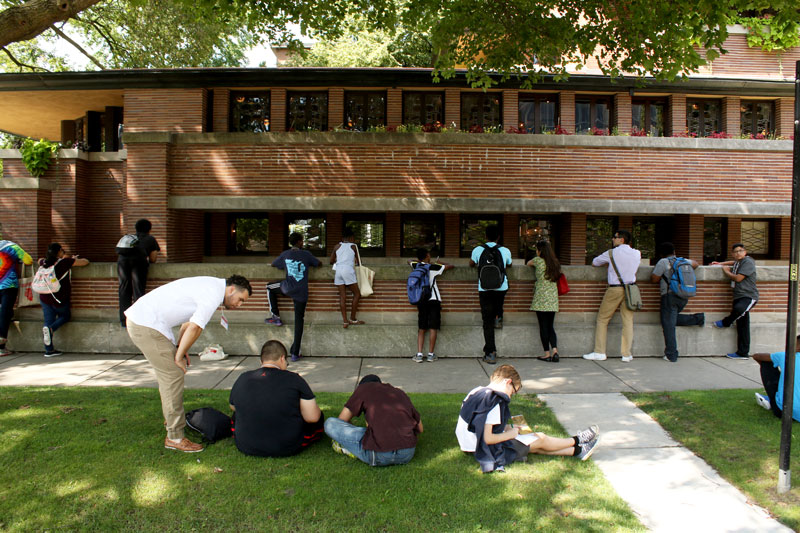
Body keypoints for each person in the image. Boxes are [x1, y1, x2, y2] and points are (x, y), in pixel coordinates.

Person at [125, 274, 252, 452]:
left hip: (146, 322)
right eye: (240, 300)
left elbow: (187, 323)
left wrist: (180, 349)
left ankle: (172, 419)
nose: (239, 305)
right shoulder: (212, 294)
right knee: (173, 374)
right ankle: (175, 437)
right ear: (231, 290)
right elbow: (195, 327)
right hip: (145, 325)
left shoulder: (210, 286)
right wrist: (178, 356)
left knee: (171, 375)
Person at [455, 364, 600, 473]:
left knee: (534, 443)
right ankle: (577, 440)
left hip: (469, 445)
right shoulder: (495, 400)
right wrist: (510, 434)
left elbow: (481, 424)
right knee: (540, 439)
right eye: (513, 391)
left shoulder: (477, 391)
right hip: (485, 449)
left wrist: (510, 428)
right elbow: (488, 438)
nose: (511, 395)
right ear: (507, 382)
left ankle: (578, 451)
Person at [229, 339, 324, 457]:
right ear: (282, 358)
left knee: (236, 416)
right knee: (319, 417)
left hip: (246, 444)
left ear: (261, 360)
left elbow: (233, 407)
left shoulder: (243, 377)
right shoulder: (295, 379)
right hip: (286, 446)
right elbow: (312, 418)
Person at [324, 374, 423, 467]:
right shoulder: (400, 393)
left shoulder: (362, 389)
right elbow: (420, 429)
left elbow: (342, 420)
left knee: (330, 423)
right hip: (407, 454)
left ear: (361, 386)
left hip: (378, 455)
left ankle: (349, 449)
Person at [583, 230, 641, 363]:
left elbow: (594, 262)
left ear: (621, 239)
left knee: (603, 319)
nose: (612, 239)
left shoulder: (611, 253)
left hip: (615, 289)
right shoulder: (637, 253)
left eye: (615, 237)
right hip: (631, 289)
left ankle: (600, 351)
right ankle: (626, 354)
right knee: (627, 321)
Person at [265, 232, 322, 362]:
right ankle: (295, 353)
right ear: (300, 242)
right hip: (301, 292)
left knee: (269, 287)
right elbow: (318, 263)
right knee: (299, 321)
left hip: (288, 288)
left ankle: (276, 316)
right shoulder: (306, 254)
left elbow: (274, 264)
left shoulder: (285, 254)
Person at [650, 242, 704, 363]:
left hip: (669, 296)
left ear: (661, 254)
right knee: (669, 319)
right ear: (674, 252)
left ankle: (671, 354)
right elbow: (696, 264)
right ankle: (698, 319)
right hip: (683, 296)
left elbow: (654, 279)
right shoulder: (683, 261)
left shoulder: (663, 262)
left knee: (668, 325)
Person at [469, 225, 512, 365]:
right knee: (498, 304)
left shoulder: (478, 250)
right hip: (501, 286)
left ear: (485, 236)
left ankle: (490, 353)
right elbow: (509, 264)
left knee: (486, 322)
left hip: (484, 288)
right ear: (498, 237)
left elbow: (471, 264)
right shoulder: (505, 250)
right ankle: (498, 316)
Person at [38, 243, 90, 357]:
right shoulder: (65, 263)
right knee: (65, 316)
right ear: (59, 252)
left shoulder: (44, 262)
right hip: (59, 297)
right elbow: (85, 262)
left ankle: (49, 350)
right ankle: (51, 329)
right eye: (62, 250)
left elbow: (39, 260)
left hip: (44, 296)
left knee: (48, 320)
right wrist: (72, 259)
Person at [712, 243, 758, 359]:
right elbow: (734, 263)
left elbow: (738, 278)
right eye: (736, 251)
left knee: (739, 310)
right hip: (738, 295)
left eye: (740, 251)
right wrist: (721, 263)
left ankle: (726, 322)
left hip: (748, 296)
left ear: (745, 252)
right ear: (733, 254)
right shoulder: (739, 261)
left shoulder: (748, 262)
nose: (738, 253)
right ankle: (742, 353)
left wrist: (726, 271)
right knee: (743, 326)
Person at [410, 247, 454, 363]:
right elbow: (451, 266)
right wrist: (440, 263)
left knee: (422, 327)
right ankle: (430, 354)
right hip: (434, 299)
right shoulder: (434, 267)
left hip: (421, 299)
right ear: (428, 256)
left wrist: (420, 261)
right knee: (433, 327)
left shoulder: (416, 266)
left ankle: (419, 354)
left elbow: (409, 261)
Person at [117, 218, 160, 327]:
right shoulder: (150, 239)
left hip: (122, 263)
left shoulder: (128, 238)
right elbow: (153, 258)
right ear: (149, 229)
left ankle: (124, 320)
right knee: (138, 290)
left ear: (136, 228)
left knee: (124, 290)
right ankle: (138, 319)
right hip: (138, 263)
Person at [526, 240, 561, 363]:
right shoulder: (555, 263)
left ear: (540, 251)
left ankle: (547, 353)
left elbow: (528, 263)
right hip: (552, 297)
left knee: (543, 326)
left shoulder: (537, 260)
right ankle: (555, 351)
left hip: (541, 297)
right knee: (550, 326)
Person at [753, 336, 800, 423]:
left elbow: (756, 356)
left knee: (766, 363)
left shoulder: (785, 356)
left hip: (784, 411)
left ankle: (774, 400)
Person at [0, 239, 33, 356]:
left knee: (4, 313)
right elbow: (28, 260)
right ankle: (1, 345)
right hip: (9, 285)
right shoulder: (11, 246)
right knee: (5, 312)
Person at [329, 227, 364, 328]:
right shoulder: (353, 246)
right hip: (348, 271)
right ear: (351, 237)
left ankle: (345, 321)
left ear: (342, 237)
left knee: (342, 297)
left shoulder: (337, 246)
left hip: (338, 271)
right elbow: (358, 261)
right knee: (357, 294)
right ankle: (352, 318)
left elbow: (331, 261)